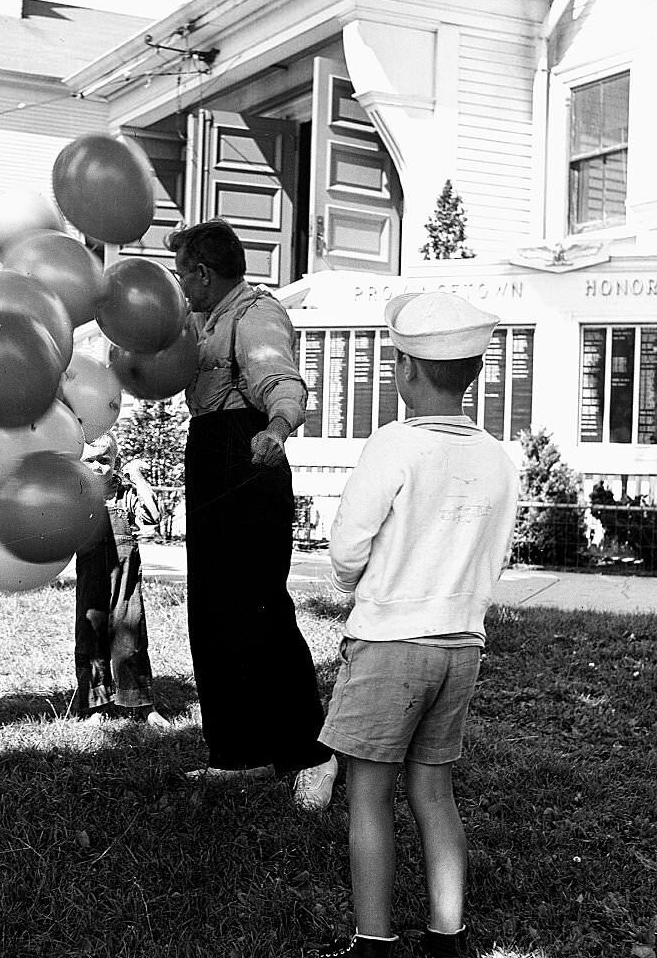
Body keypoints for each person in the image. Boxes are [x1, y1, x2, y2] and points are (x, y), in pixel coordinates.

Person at [312, 292, 519, 958]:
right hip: (461, 644)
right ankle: (447, 935)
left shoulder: (393, 443)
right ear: (476, 372)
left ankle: (374, 940)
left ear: (404, 369)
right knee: (434, 786)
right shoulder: (497, 456)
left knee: (369, 791)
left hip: (389, 644)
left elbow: (348, 546)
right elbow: (497, 552)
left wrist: (349, 587)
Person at [166, 218, 338, 809]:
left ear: (205, 273)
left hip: (249, 456)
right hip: (210, 456)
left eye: (183, 272)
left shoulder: (256, 314)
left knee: (260, 607)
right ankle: (237, 752)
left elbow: (281, 379)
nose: (179, 283)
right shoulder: (201, 320)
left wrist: (277, 427)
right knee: (212, 609)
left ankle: (312, 754)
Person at [73, 432, 169, 727]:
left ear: (116, 461)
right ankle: (97, 705)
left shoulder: (124, 492)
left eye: (106, 460)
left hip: (125, 576)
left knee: (130, 633)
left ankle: (142, 704)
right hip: (91, 574)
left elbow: (153, 517)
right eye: (91, 460)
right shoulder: (76, 491)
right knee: (91, 633)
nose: (99, 466)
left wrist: (138, 478)